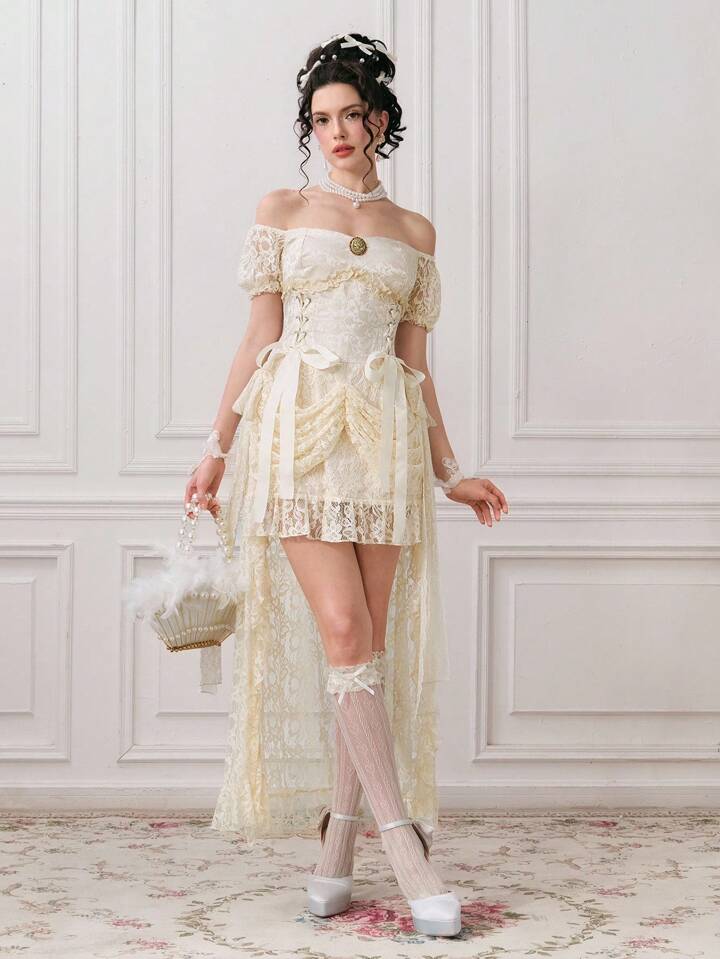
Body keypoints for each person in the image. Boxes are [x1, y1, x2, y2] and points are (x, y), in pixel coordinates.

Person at [184, 31, 509, 938]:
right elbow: (258, 337)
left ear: (380, 121)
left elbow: (416, 366)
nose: (335, 131)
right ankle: (405, 849)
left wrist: (451, 471)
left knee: (363, 646)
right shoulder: (283, 210)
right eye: (320, 118)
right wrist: (216, 449)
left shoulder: (415, 232)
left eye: (351, 114)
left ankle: (334, 854)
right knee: (341, 629)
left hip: (386, 445)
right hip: (296, 435)